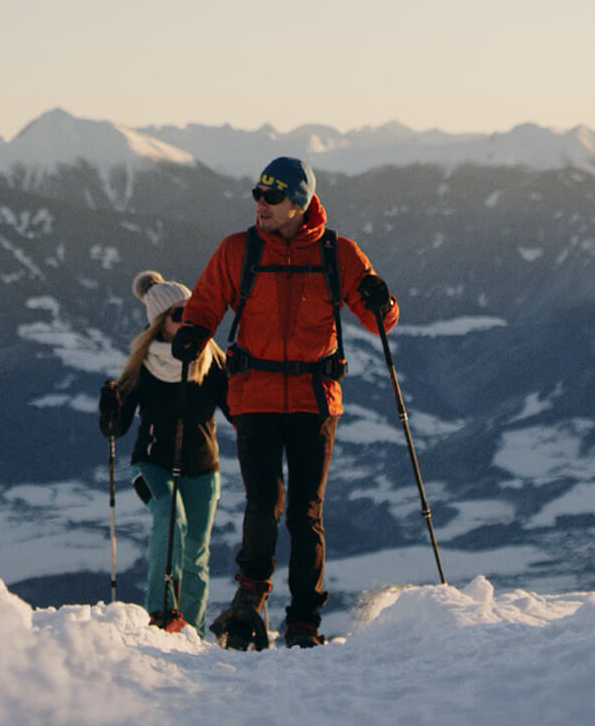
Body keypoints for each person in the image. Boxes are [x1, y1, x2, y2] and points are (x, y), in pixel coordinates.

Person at [171, 156, 397, 648]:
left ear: (300, 202)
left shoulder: (339, 252)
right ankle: (251, 598)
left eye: (272, 197)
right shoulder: (238, 250)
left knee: (305, 511)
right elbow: (207, 300)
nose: (261, 205)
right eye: (257, 194)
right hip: (254, 395)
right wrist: (193, 330)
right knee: (263, 502)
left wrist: (383, 300)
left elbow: (379, 320)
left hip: (315, 400)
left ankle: (303, 620)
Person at [99, 270, 230, 633]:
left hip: (204, 470)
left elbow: (238, 412)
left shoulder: (212, 361)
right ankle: (159, 616)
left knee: (196, 557)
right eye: (178, 314)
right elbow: (117, 427)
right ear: (160, 323)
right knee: (170, 519)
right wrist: (110, 407)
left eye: (191, 310)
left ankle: (192, 632)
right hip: (151, 465)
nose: (187, 319)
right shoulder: (144, 365)